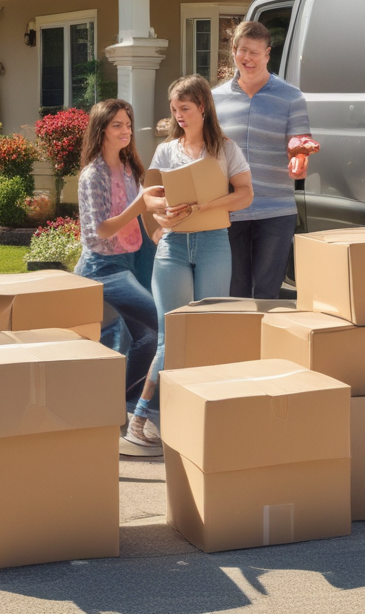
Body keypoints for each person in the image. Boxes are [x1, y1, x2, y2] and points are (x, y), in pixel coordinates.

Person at [124, 75, 253, 451]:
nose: (179, 115)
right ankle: (140, 418)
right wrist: (164, 214)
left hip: (214, 243)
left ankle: (200, 419)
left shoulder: (226, 149)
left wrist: (207, 204)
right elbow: (149, 199)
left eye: (185, 108)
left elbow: (245, 194)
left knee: (208, 332)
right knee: (172, 335)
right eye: (174, 109)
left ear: (202, 107)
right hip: (174, 247)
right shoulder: (167, 152)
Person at [212, 20, 314, 299]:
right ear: (234, 50)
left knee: (267, 292)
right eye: (243, 50)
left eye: (255, 53)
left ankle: (265, 342)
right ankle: (238, 342)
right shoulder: (214, 99)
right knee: (234, 290)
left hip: (275, 210)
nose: (248, 58)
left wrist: (300, 157)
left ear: (267, 55)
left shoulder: (291, 98)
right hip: (230, 210)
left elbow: (299, 140)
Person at [75, 99, 166, 409]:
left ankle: (125, 401)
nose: (126, 130)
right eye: (117, 125)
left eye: (127, 124)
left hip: (131, 260)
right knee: (157, 320)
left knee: (151, 337)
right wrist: (140, 205)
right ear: (102, 130)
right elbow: (97, 231)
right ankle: (125, 404)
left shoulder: (129, 168)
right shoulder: (93, 175)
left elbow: (137, 217)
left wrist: (156, 229)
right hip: (102, 268)